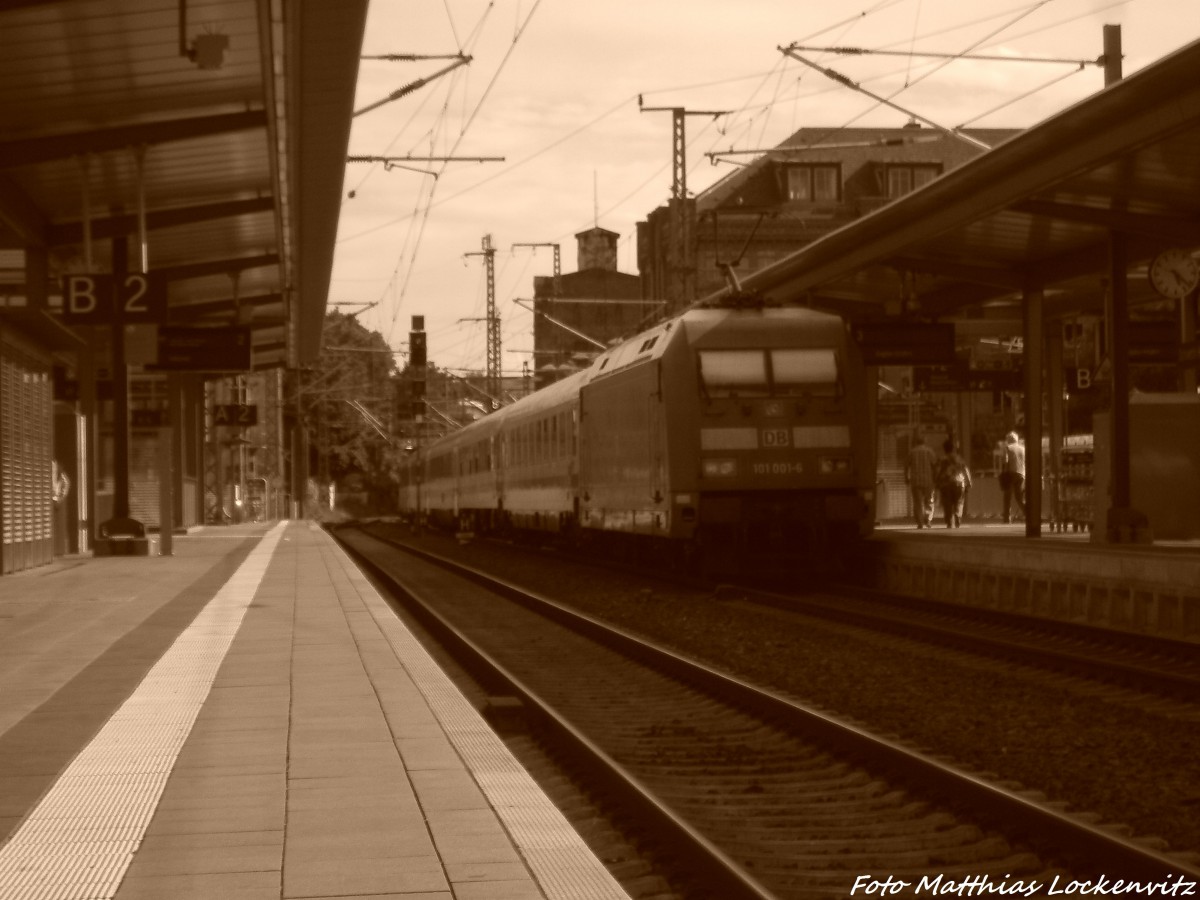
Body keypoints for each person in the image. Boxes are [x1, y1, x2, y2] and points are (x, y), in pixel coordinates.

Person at [936, 438, 972, 528]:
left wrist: (936, 481)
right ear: (953, 448)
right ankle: (958, 516)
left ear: (944, 449)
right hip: (959, 483)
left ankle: (949, 521)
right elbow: (965, 470)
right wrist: (969, 482)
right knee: (959, 501)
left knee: (947, 503)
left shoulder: (942, 460)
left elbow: (938, 471)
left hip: (946, 484)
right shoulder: (959, 458)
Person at [905, 433, 937, 529]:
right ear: (924, 441)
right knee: (929, 501)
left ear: (915, 442)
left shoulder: (912, 452)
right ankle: (928, 520)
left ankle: (920, 522)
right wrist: (935, 478)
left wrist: (906, 477)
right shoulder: (929, 451)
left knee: (917, 502)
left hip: (916, 481)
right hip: (928, 480)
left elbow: (906, 466)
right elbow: (934, 465)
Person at [1002, 431, 1026, 523]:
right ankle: (1028, 513)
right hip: (1022, 474)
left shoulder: (1008, 448)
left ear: (1009, 439)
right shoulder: (1023, 448)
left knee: (1007, 496)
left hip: (1011, 473)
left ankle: (1007, 518)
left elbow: (1006, 461)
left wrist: (1004, 473)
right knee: (1019, 497)